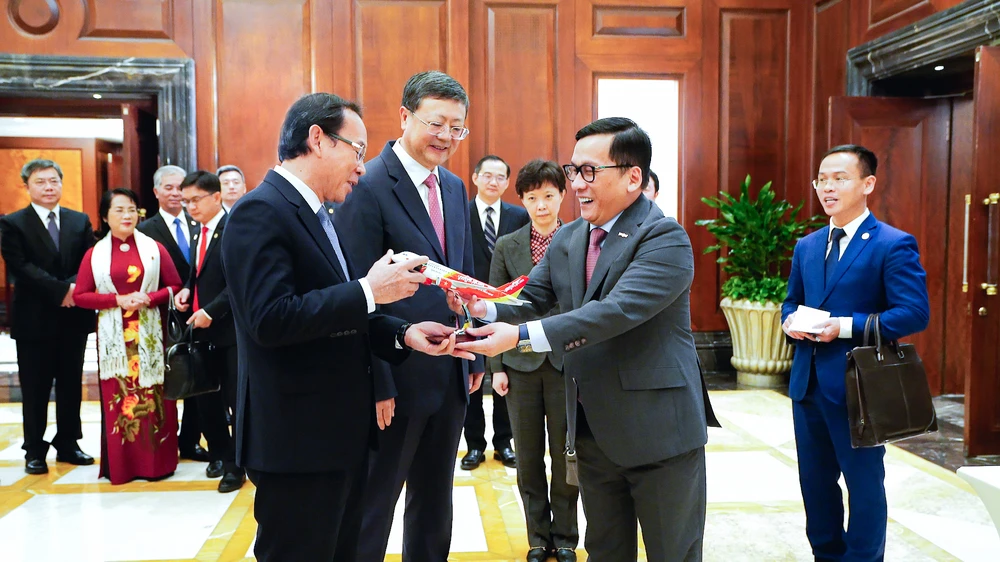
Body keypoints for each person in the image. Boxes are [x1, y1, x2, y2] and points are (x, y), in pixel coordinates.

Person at [455, 117, 720, 561]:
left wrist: (517, 337)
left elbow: (614, 312)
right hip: (593, 428)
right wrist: (480, 307)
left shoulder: (663, 237)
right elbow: (533, 296)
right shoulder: (572, 236)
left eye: (590, 172)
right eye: (573, 170)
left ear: (634, 176)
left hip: (658, 432)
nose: (577, 183)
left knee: (672, 551)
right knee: (604, 549)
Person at [220, 92, 461, 562]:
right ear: (318, 140)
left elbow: (339, 317)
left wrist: (403, 334)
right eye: (357, 150)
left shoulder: (317, 214)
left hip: (338, 437)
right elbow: (271, 319)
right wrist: (371, 290)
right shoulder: (261, 211)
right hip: (297, 440)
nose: (361, 167)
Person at [335, 70, 485, 561]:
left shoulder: (456, 186)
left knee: (435, 504)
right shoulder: (369, 185)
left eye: (457, 128)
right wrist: (379, 382)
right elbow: (355, 292)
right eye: (435, 123)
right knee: (374, 507)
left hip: (449, 370)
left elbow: (458, 276)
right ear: (404, 117)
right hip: (394, 381)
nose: (446, 137)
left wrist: (473, 356)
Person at [781, 144, 930, 562]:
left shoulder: (892, 244)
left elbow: (914, 312)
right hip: (808, 385)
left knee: (863, 486)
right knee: (815, 484)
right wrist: (789, 321)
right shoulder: (807, 246)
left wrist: (844, 327)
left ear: (868, 184)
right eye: (822, 179)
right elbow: (791, 301)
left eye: (839, 178)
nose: (828, 187)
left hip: (860, 386)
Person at [489, 159, 578, 562]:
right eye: (531, 197)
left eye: (548, 196)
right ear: (521, 200)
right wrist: (495, 369)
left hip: (566, 364)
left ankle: (565, 538)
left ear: (562, 195)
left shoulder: (579, 239)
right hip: (519, 364)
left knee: (565, 456)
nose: (541, 205)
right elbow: (494, 304)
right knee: (527, 457)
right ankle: (537, 538)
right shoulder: (507, 245)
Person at [73, 188, 183, 484]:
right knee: (120, 400)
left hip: (150, 337)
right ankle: (122, 467)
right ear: (105, 216)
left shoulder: (154, 248)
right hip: (114, 341)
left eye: (132, 209)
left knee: (154, 398)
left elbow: (174, 286)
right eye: (119, 210)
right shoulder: (94, 254)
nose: (127, 215)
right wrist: (116, 301)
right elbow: (81, 296)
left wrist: (148, 297)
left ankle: (158, 465)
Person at [0, 158, 97, 475]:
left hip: (73, 319)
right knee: (35, 388)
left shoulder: (78, 220)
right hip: (34, 320)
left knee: (71, 385)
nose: (48, 187)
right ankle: (34, 449)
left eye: (54, 180)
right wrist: (61, 291)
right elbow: (21, 268)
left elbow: (89, 260)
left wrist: (74, 288)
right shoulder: (13, 223)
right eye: (40, 181)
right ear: (27, 186)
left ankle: (68, 442)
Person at [172, 170, 244, 493]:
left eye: (195, 200)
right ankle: (220, 455)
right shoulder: (199, 230)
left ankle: (238, 465)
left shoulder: (234, 228)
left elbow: (237, 285)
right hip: (199, 332)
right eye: (185, 202)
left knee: (234, 399)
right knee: (206, 401)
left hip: (228, 332)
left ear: (216, 197)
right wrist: (187, 289)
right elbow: (197, 272)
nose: (190, 207)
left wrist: (211, 312)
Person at [136, 165, 208, 463]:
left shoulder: (198, 223)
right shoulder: (144, 230)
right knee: (167, 376)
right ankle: (163, 440)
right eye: (169, 187)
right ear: (156, 192)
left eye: (181, 187)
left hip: (197, 313)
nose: (176, 193)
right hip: (161, 315)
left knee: (196, 376)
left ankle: (190, 440)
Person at [462, 154, 528, 470]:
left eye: (500, 177)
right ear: (475, 178)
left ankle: (504, 441)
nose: (493, 182)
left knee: (505, 373)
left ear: (506, 182)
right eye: (487, 175)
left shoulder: (518, 216)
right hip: (466, 304)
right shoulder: (459, 212)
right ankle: (474, 444)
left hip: (504, 306)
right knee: (471, 374)